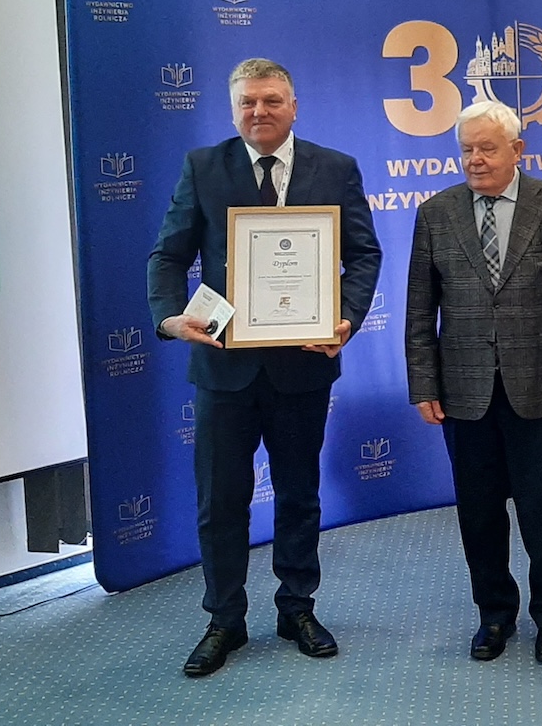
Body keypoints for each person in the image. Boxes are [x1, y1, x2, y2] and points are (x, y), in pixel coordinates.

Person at [147, 58, 382, 677]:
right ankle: (224, 619)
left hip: (303, 366)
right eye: (247, 102)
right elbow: (168, 255)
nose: (259, 112)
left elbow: (363, 254)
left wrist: (346, 318)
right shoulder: (203, 166)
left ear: (294, 106)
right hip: (223, 367)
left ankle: (296, 608)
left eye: (272, 100)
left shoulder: (336, 168)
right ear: (233, 111)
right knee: (220, 501)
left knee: (300, 495)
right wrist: (169, 318)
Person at [405, 100, 542, 666]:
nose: (475, 159)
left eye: (487, 148)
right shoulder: (435, 213)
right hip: (463, 392)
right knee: (479, 513)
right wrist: (424, 384)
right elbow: (419, 310)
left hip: (541, 384)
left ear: (517, 150)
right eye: (466, 149)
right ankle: (494, 614)